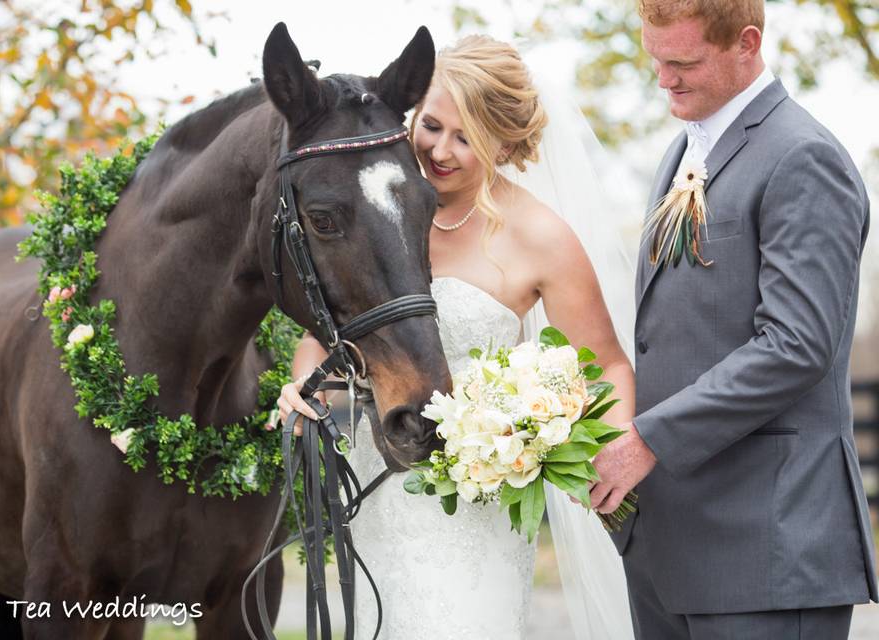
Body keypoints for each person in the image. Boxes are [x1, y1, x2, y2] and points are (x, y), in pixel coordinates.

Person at [275, 36, 636, 639]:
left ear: (505, 143)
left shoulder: (541, 238)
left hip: (478, 513)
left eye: (466, 137)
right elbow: (335, 323)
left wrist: (608, 447)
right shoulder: (378, 208)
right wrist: (302, 384)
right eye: (432, 125)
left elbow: (607, 365)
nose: (440, 150)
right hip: (378, 491)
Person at [589, 1, 879, 638]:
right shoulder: (680, 151)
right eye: (655, 59)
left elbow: (795, 345)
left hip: (767, 549)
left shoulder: (803, 157)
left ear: (746, 43)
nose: (663, 79)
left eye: (683, 62)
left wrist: (647, 441)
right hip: (674, 545)